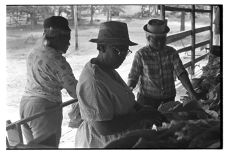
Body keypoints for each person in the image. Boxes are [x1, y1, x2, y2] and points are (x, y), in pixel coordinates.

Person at [75, 21, 166, 148]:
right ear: (101, 47)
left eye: (125, 50)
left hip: (119, 139)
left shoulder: (108, 69)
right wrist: (140, 115)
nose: (123, 56)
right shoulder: (94, 81)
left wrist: (141, 108)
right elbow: (104, 128)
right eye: (117, 50)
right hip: (103, 144)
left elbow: (121, 97)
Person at [19, 16, 78, 147]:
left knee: (34, 148)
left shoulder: (34, 51)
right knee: (47, 148)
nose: (68, 43)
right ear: (57, 37)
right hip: (44, 109)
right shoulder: (57, 61)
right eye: (66, 39)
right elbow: (75, 92)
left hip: (25, 105)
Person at [127, 19, 200, 109]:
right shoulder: (141, 54)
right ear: (148, 38)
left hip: (168, 99)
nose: (159, 42)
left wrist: (192, 92)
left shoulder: (172, 52)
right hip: (147, 100)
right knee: (146, 121)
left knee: (168, 122)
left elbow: (181, 73)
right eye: (156, 40)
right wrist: (129, 89)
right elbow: (133, 76)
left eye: (163, 39)